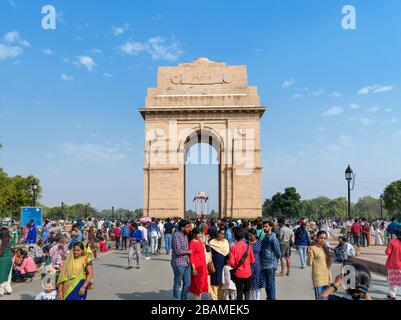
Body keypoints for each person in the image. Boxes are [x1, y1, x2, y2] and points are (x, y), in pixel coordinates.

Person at [229, 227, 255, 300]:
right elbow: (252, 260)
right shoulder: (248, 247)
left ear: (235, 236)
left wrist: (235, 266)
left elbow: (231, 263)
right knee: (247, 291)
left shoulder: (233, 248)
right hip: (247, 272)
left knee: (239, 292)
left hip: (238, 273)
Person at [307, 230, 332, 300]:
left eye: (324, 238)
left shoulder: (327, 249)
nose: (323, 240)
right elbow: (309, 264)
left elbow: (328, 266)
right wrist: (309, 255)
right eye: (321, 238)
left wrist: (330, 279)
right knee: (320, 298)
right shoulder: (313, 249)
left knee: (326, 298)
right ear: (317, 238)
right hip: (318, 278)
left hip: (326, 278)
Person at [206, 227, 230, 300]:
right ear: (217, 233)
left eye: (223, 234)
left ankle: (219, 297)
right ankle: (214, 298)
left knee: (222, 281)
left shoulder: (226, 242)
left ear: (224, 235)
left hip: (223, 265)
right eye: (220, 233)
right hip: (215, 264)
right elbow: (208, 252)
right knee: (214, 281)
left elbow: (227, 253)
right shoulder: (212, 242)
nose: (221, 235)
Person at [171, 219, 192, 300]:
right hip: (178, 262)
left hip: (187, 262)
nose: (189, 229)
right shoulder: (176, 235)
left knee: (187, 283)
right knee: (178, 283)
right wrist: (189, 252)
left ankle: (184, 298)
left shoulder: (186, 235)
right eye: (187, 227)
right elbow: (177, 251)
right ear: (182, 228)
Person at [260, 221, 281, 300]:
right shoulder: (265, 237)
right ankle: (269, 297)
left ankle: (272, 298)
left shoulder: (273, 238)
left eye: (266, 226)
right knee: (266, 284)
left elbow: (278, 253)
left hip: (270, 265)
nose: (264, 228)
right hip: (264, 264)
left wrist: (275, 263)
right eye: (264, 226)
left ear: (271, 227)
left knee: (271, 284)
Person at [189, 227, 208, 300]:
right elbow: (191, 256)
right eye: (199, 234)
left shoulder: (199, 240)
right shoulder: (192, 242)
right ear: (194, 234)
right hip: (196, 266)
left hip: (202, 265)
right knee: (197, 287)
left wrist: (206, 241)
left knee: (200, 285)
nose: (200, 235)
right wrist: (193, 268)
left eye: (200, 233)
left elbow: (201, 247)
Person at [248, 228, 266, 300]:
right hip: (248, 265)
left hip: (258, 265)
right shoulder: (247, 243)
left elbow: (263, 253)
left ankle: (257, 298)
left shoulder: (260, 242)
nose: (249, 237)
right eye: (248, 236)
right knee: (250, 283)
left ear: (255, 235)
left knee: (257, 282)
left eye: (250, 235)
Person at [385, 229, 401, 300]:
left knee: (392, 281)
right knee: (398, 280)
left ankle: (392, 295)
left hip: (392, 264)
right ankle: (391, 294)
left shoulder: (392, 241)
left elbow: (387, 252)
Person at [0, 227, 13, 297]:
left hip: (2, 260)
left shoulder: (0, 241)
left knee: (1, 275)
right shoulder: (9, 241)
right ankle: (8, 289)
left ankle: (1, 291)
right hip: (9, 260)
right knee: (7, 275)